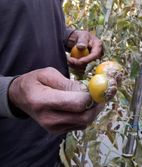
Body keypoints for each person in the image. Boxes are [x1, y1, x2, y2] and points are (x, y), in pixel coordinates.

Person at [0, 0, 104, 166]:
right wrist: (11, 91)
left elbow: (27, 20)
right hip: (11, 151)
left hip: (54, 147)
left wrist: (69, 37)